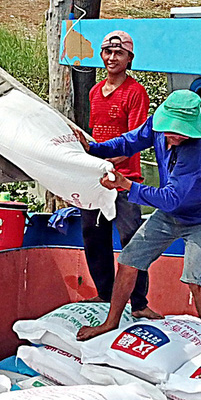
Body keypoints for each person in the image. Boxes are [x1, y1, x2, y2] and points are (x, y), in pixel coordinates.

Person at [74, 89, 201, 375]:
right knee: (129, 260)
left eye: (183, 133)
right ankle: (111, 322)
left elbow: (171, 198)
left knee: (195, 279)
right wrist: (94, 149)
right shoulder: (156, 125)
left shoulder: (195, 151)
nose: (177, 137)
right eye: (173, 132)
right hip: (171, 215)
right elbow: (129, 141)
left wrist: (126, 185)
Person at [81, 29, 156, 318]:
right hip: (96, 177)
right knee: (93, 234)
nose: (112, 58)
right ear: (101, 55)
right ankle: (104, 293)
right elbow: (95, 136)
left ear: (129, 59)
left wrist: (111, 162)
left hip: (125, 179)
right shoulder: (94, 92)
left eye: (119, 53)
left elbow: (136, 139)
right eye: (107, 52)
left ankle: (139, 303)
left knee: (132, 239)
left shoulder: (136, 93)